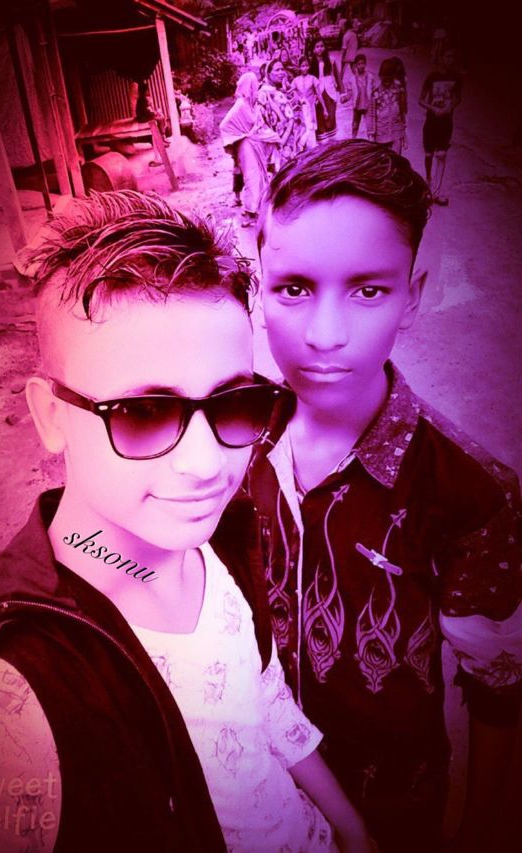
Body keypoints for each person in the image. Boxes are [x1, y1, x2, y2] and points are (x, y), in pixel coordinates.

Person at [0, 191, 374, 853]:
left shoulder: (222, 540)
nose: (207, 464)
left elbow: (264, 701)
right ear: (51, 416)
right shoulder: (10, 700)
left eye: (233, 403)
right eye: (143, 414)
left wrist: (353, 830)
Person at [250, 139, 522, 853]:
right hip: (253, 785)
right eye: (293, 288)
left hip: (393, 802)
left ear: (413, 295)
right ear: (258, 287)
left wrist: (480, 832)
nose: (325, 335)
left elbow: (497, 686)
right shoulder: (229, 435)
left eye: (368, 290)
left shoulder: (471, 491)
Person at [220, 71, 271, 228]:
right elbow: (224, 125)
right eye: (254, 84)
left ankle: (256, 209)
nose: (257, 87)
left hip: (253, 144)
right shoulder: (241, 105)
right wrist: (240, 135)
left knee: (259, 176)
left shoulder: (251, 104)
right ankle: (249, 212)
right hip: (246, 146)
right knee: (251, 178)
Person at [419, 48, 462, 205]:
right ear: (441, 58)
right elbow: (421, 99)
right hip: (431, 121)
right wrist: (433, 108)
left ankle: (437, 191)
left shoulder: (457, 78)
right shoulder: (432, 77)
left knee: (442, 155)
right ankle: (428, 182)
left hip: (446, 122)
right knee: (429, 155)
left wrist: (451, 107)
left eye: (453, 57)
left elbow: (458, 98)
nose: (450, 60)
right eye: (448, 56)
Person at [254, 59, 297, 172]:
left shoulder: (278, 91)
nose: (281, 72)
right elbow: (260, 123)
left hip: (287, 145)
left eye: (282, 69)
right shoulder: (263, 94)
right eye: (277, 70)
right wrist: (278, 141)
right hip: (275, 147)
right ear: (268, 74)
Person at [308, 39, 343, 144]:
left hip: (329, 90)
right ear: (313, 49)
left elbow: (337, 76)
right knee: (320, 114)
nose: (320, 49)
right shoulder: (310, 62)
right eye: (317, 47)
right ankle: (323, 140)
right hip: (317, 91)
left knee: (331, 114)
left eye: (322, 46)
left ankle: (332, 139)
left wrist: (342, 92)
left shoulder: (331, 60)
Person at [368, 59, 407, 154]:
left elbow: (402, 112)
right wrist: (371, 134)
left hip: (396, 132)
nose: (387, 82)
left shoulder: (399, 90)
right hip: (380, 134)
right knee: (383, 160)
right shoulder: (375, 92)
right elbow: (371, 115)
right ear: (380, 76)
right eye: (384, 79)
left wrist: (404, 135)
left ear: (393, 76)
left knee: (396, 159)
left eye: (389, 79)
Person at [290, 56, 327, 152]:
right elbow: (292, 93)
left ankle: (312, 149)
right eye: (302, 66)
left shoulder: (313, 79)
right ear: (299, 67)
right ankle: (301, 148)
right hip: (300, 110)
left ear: (309, 66)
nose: (305, 68)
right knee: (303, 128)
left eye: (306, 66)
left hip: (310, 109)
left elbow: (319, 94)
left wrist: (325, 109)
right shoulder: (296, 80)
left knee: (310, 128)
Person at [347, 54, 375, 138]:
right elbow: (349, 93)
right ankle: (353, 139)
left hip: (368, 105)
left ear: (366, 64)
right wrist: (345, 98)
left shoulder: (370, 77)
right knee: (355, 125)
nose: (361, 66)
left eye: (363, 63)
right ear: (356, 65)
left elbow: (374, 90)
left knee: (370, 125)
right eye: (359, 64)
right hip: (357, 105)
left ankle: (371, 140)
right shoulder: (352, 79)